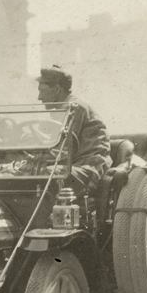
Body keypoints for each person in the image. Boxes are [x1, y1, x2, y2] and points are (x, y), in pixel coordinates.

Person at [36, 65, 111, 200]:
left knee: (41, 173)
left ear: (57, 89)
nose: (39, 97)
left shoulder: (74, 108)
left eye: (42, 90)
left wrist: (34, 159)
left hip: (88, 168)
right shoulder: (63, 109)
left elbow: (62, 151)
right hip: (73, 166)